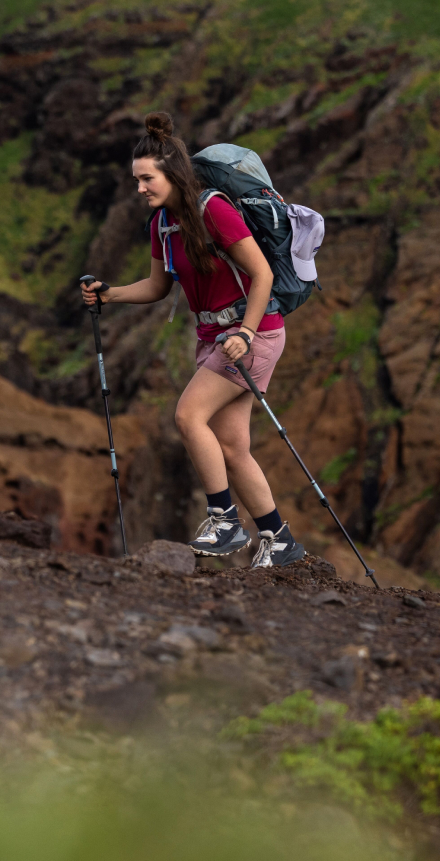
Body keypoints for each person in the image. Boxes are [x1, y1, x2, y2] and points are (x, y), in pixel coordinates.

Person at [79, 112, 305, 568]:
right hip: (214, 338)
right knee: (231, 446)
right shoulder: (162, 225)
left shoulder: (213, 210)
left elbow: (261, 274)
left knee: (188, 415)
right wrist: (110, 293)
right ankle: (278, 539)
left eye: (147, 178)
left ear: (172, 174)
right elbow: (157, 287)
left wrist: (244, 332)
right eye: (137, 180)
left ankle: (223, 519)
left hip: (252, 333)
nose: (140, 188)